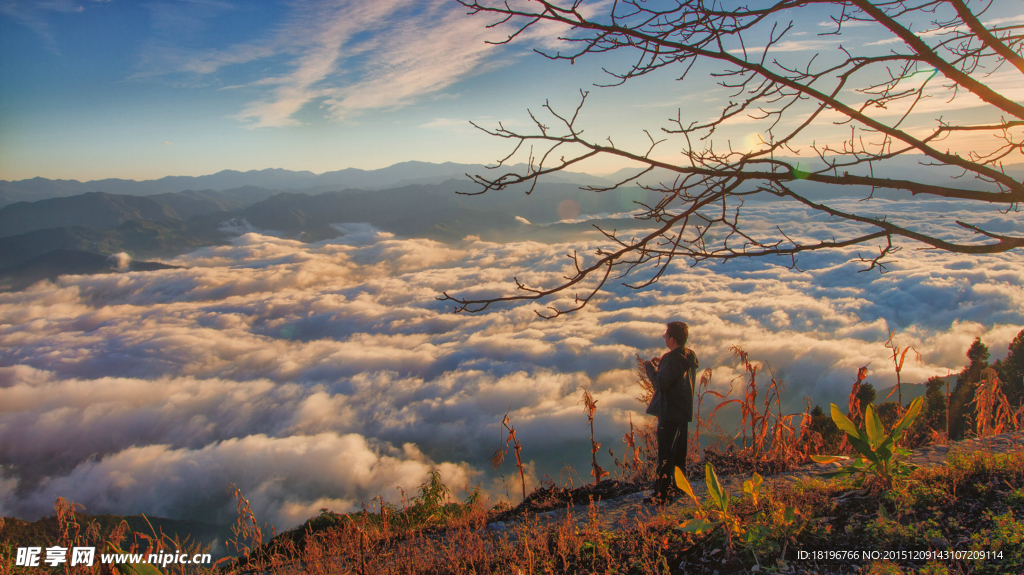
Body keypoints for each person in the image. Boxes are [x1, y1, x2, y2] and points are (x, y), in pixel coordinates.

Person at [643, 321, 698, 504]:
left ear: (672, 339)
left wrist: (649, 367)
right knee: (678, 453)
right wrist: (663, 364)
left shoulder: (673, 359)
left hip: (669, 411)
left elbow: (660, 383)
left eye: (666, 335)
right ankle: (679, 488)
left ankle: (661, 495)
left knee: (665, 455)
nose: (664, 337)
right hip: (683, 410)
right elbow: (673, 376)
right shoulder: (689, 355)